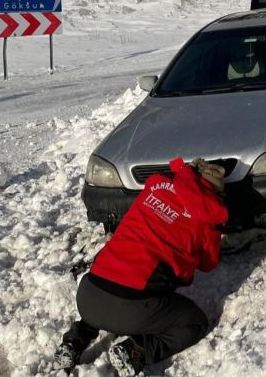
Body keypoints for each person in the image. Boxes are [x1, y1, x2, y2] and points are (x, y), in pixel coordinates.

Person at [54, 157, 228, 376]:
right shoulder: (206, 218)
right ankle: (136, 350)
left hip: (88, 295)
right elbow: (208, 263)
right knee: (195, 323)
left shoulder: (154, 189)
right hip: (132, 309)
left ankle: (73, 342)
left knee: (112, 286)